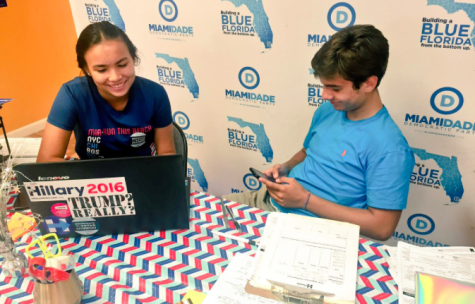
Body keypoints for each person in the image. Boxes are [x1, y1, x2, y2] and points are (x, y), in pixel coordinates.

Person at [225, 24, 415, 241]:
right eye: (324, 86)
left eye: (335, 89)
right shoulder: (329, 110)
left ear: (368, 83)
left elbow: (382, 228)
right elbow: (307, 151)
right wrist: (285, 167)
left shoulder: (390, 148)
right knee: (200, 217)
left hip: (311, 231)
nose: (325, 95)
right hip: (269, 202)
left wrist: (304, 200)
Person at [37, 21, 175, 162]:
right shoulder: (72, 94)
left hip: (142, 178)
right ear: (86, 69)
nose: (115, 77)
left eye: (122, 65)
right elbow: (46, 161)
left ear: (133, 58)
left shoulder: (155, 94)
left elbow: (167, 156)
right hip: (92, 181)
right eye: (102, 70)